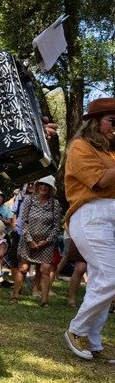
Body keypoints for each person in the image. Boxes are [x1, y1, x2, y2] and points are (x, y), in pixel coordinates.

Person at [63, 98, 115, 363]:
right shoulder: (80, 147)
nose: (114, 128)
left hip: (109, 216)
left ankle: (93, 341)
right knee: (111, 277)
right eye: (113, 122)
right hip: (91, 214)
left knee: (101, 281)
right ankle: (77, 329)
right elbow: (101, 181)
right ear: (95, 123)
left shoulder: (111, 154)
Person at [12, 176, 61, 307]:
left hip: (46, 244)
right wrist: (29, 240)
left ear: (51, 188)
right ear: (38, 185)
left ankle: (44, 301)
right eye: (42, 184)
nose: (44, 187)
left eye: (47, 185)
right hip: (28, 240)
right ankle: (15, 296)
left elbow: (56, 226)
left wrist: (48, 241)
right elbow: (23, 222)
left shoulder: (54, 204)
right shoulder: (29, 200)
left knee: (45, 270)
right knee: (23, 268)